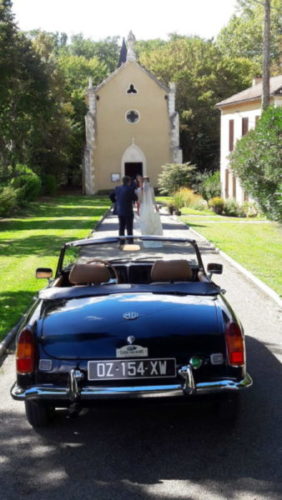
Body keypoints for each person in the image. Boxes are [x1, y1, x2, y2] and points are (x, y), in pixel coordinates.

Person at [136, 176, 163, 246]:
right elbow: (153, 199)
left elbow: (139, 201)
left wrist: (137, 209)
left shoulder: (139, 190)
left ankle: (145, 235)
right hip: (150, 207)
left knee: (144, 221)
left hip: (143, 207)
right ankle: (151, 234)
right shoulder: (151, 189)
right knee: (151, 221)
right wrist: (156, 207)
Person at [109, 176, 138, 241]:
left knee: (121, 227)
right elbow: (135, 198)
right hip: (128, 210)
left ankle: (121, 242)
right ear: (129, 182)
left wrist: (115, 201)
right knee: (129, 227)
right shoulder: (130, 189)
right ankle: (130, 241)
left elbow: (111, 195)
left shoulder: (117, 188)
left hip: (120, 210)